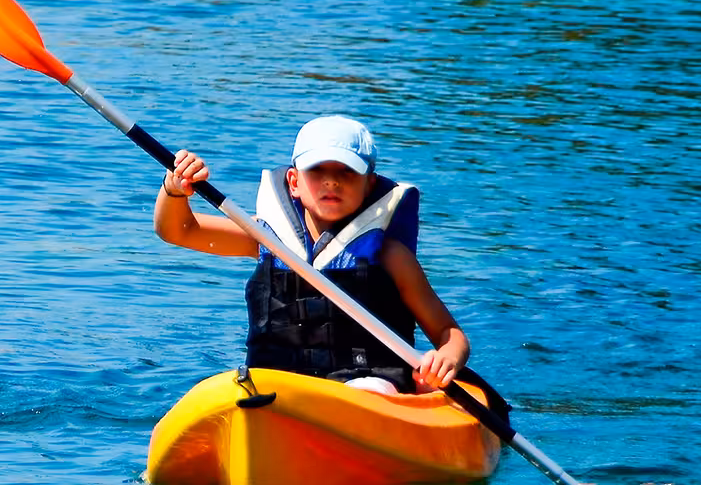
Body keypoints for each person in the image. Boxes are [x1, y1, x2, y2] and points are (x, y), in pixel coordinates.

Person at [154, 114, 469, 395]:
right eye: (317, 170)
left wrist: (446, 358)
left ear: (369, 184)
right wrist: (174, 189)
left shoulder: (390, 255)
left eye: (346, 172)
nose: (331, 181)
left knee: (369, 389)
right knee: (236, 389)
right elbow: (179, 230)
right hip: (278, 383)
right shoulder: (265, 238)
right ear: (293, 182)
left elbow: (448, 333)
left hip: (367, 385)